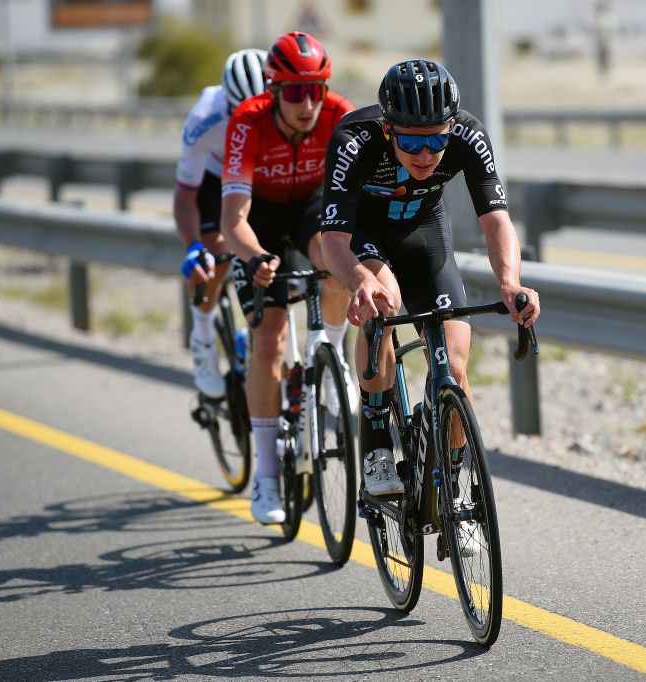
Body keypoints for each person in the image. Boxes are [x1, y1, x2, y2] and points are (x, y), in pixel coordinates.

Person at [319, 59, 541, 500]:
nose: (426, 155)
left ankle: (452, 489)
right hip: (364, 235)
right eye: (411, 143)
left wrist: (511, 282)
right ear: (388, 130)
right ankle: (378, 445)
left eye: (437, 141)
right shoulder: (353, 140)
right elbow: (332, 240)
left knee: (455, 371)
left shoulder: (469, 135)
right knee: (386, 301)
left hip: (424, 235)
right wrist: (359, 278)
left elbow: (497, 221)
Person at [220, 31, 356, 525]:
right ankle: (266, 476)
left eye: (315, 90)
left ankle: (333, 354)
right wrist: (255, 256)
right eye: (296, 92)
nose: (307, 104)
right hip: (260, 222)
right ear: (274, 91)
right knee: (270, 340)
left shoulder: (341, 113)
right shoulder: (248, 121)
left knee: (337, 257)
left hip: (312, 207)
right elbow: (233, 218)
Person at [175, 48, 268, 398]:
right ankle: (201, 337)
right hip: (215, 180)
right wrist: (194, 245)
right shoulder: (204, 120)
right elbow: (185, 197)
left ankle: (249, 334)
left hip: (258, 176)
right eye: (242, 112)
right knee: (214, 256)